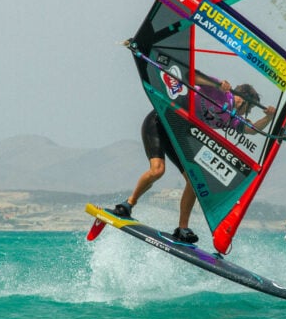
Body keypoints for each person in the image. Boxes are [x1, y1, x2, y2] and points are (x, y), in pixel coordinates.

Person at [112, 77, 275, 244]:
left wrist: (269, 118)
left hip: (178, 133)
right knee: (157, 170)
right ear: (244, 100)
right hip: (159, 120)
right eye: (250, 108)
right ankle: (128, 205)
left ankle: (182, 229)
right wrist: (217, 84)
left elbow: (251, 130)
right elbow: (191, 76)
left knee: (194, 181)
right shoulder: (220, 91)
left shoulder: (230, 119)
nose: (248, 112)